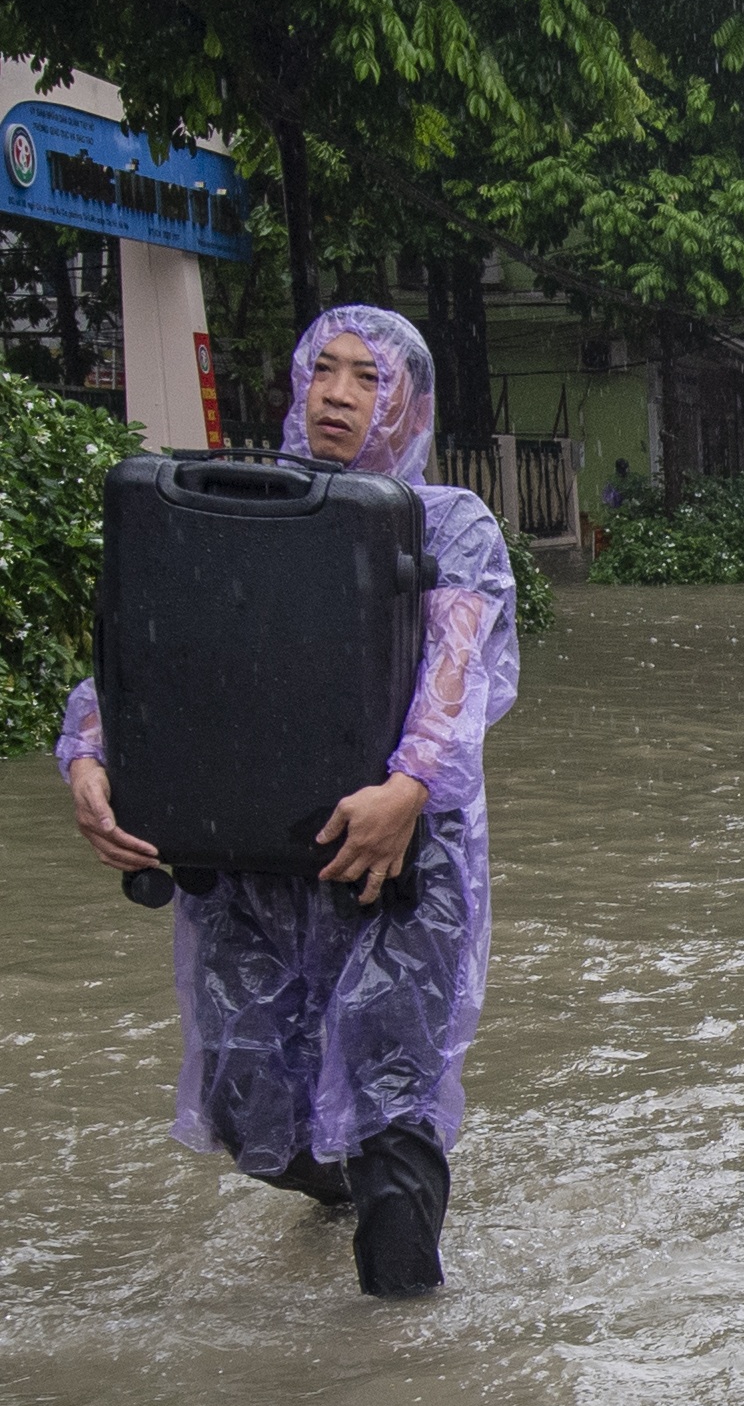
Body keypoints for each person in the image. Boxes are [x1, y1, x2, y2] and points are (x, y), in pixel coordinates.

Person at [55, 305, 519, 1297]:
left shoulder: (447, 525)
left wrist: (408, 786)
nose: (342, 395)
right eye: (327, 372)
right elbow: (148, 652)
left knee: (394, 1094)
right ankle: (342, 1180)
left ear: (409, 402)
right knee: (250, 1108)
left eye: (370, 378)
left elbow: (457, 668)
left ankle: (402, 1373)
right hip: (251, 863)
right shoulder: (229, 504)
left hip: (398, 859)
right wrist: (89, 756)